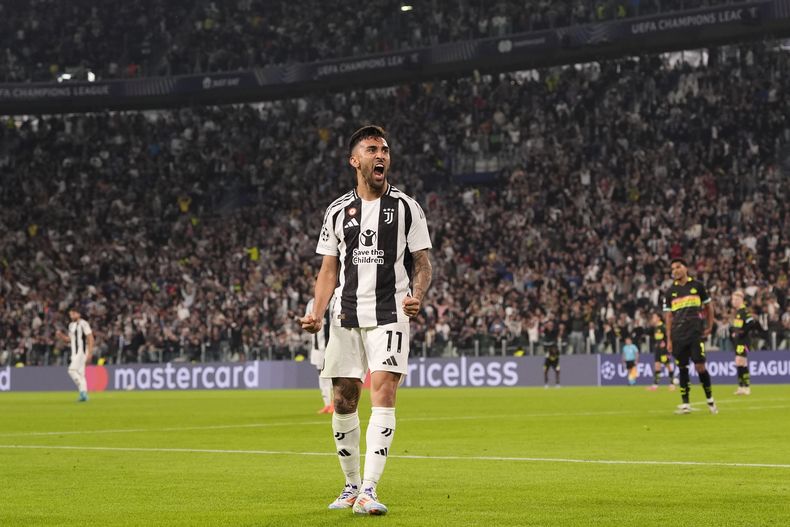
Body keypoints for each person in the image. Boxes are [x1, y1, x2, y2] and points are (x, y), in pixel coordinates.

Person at [300, 125, 433, 516]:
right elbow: (328, 269)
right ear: (354, 160)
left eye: (385, 150)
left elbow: (423, 263)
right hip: (346, 313)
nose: (381, 155)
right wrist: (317, 312)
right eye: (372, 149)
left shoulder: (407, 207)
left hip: (390, 312)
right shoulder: (337, 211)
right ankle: (350, 485)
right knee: (343, 399)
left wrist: (417, 296)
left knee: (384, 391)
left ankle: (370, 490)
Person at [662, 258, 717, 415]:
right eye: (673, 268)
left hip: (695, 333)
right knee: (682, 368)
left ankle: (710, 400)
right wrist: (669, 339)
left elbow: (709, 307)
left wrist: (710, 326)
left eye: (678, 267)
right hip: (678, 335)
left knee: (700, 366)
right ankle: (685, 403)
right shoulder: (670, 292)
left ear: (686, 268)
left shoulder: (698, 286)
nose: (675, 270)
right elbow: (669, 317)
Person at [56, 306, 94, 402]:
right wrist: (61, 336)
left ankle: (83, 392)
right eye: (70, 314)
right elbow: (69, 339)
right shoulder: (71, 325)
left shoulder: (84, 323)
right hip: (74, 353)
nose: (71, 316)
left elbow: (90, 338)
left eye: (73, 313)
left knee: (71, 370)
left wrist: (90, 353)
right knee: (81, 374)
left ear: (79, 314)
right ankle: (83, 395)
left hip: (81, 352)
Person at [305, 298, 333, 413]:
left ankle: (334, 403)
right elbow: (305, 321)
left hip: (331, 346)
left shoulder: (333, 300)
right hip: (317, 348)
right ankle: (327, 404)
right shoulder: (311, 303)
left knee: (333, 375)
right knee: (321, 376)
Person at [730, 290, 758, 395]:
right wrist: (734, 332)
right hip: (738, 341)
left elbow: (751, 323)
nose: (733, 301)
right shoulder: (738, 312)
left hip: (743, 341)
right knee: (739, 363)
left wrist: (742, 332)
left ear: (740, 300)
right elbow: (737, 326)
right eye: (733, 299)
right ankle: (741, 387)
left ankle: (746, 387)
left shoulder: (744, 311)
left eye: (735, 299)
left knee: (741, 362)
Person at [647, 312, 677, 391]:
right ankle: (655, 385)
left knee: (667, 365)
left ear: (658, 318)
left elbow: (669, 336)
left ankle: (672, 384)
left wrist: (666, 344)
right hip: (657, 349)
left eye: (654, 317)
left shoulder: (663, 327)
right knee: (657, 365)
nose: (653, 319)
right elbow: (648, 333)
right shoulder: (655, 327)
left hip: (664, 350)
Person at [541, 319, 561, 388]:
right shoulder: (545, 332)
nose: (550, 326)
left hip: (555, 356)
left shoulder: (555, 332)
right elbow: (542, 329)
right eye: (549, 325)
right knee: (545, 370)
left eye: (551, 325)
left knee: (557, 370)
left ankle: (557, 383)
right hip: (547, 357)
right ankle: (546, 383)